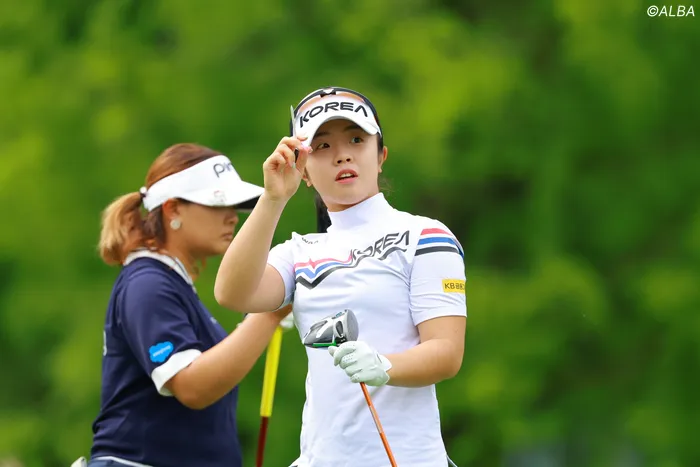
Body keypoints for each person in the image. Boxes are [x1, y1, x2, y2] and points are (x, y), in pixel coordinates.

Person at [214, 87, 467, 467]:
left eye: (356, 140)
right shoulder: (300, 251)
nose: (343, 154)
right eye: (322, 146)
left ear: (381, 156)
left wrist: (384, 365)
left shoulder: (426, 235)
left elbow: (446, 352)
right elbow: (233, 293)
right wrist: (273, 199)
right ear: (303, 170)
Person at [79, 143, 294, 467]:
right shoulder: (147, 284)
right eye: (218, 204)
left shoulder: (169, 283)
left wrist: (260, 319)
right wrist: (267, 315)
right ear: (173, 210)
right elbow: (193, 387)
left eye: (235, 206)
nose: (232, 217)